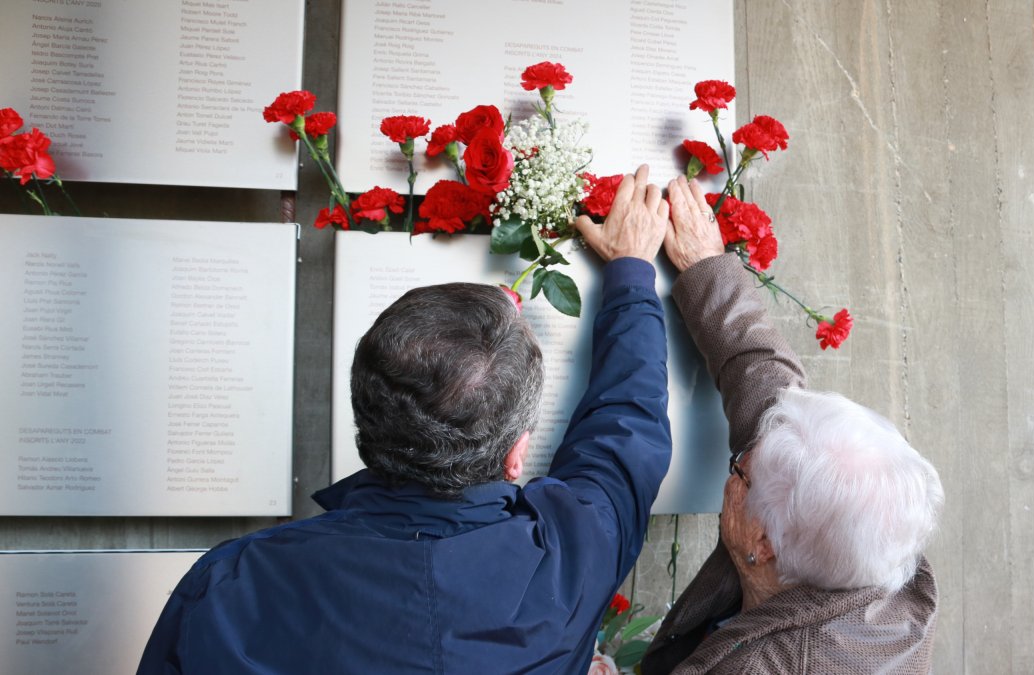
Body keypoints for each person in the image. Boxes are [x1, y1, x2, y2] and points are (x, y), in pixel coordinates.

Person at [137, 166, 672, 675]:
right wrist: (631, 274)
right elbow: (624, 427)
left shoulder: (234, 583)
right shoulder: (578, 550)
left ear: (365, 412)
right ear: (516, 457)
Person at [640, 177, 945, 674]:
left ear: (763, 545)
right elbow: (772, 396)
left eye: (741, 472)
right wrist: (706, 266)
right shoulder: (875, 546)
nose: (735, 466)